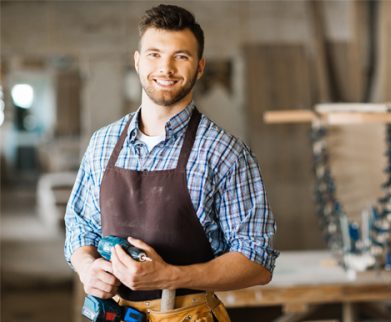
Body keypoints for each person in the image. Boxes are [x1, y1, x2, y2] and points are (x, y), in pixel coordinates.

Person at [64, 4, 279, 321]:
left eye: (181, 56)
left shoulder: (224, 152)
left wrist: (171, 277)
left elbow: (257, 262)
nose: (165, 68)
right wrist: (87, 267)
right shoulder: (102, 143)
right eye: (154, 54)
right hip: (114, 314)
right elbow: (80, 226)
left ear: (200, 66)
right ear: (137, 62)